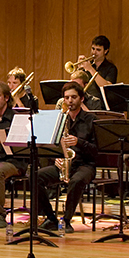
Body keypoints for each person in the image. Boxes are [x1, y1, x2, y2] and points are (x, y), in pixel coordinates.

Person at [37, 82, 98, 233]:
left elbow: (97, 151)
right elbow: (51, 146)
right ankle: (51, 218)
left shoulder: (91, 119)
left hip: (85, 165)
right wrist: (55, 159)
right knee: (35, 177)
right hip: (64, 164)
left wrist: (79, 142)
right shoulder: (60, 119)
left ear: (82, 98)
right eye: (66, 98)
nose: (70, 101)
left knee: (77, 180)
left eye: (73, 97)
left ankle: (66, 220)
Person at [0, 82, 28, 228]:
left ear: (6, 98)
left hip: (15, 161)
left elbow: (23, 146)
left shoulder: (17, 118)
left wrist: (4, 140)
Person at [77, 35, 117, 107]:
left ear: (106, 51)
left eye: (98, 50)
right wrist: (78, 70)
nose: (94, 52)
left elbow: (106, 87)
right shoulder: (87, 65)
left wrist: (90, 69)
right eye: (93, 49)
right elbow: (77, 85)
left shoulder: (111, 68)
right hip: (86, 103)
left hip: (101, 105)